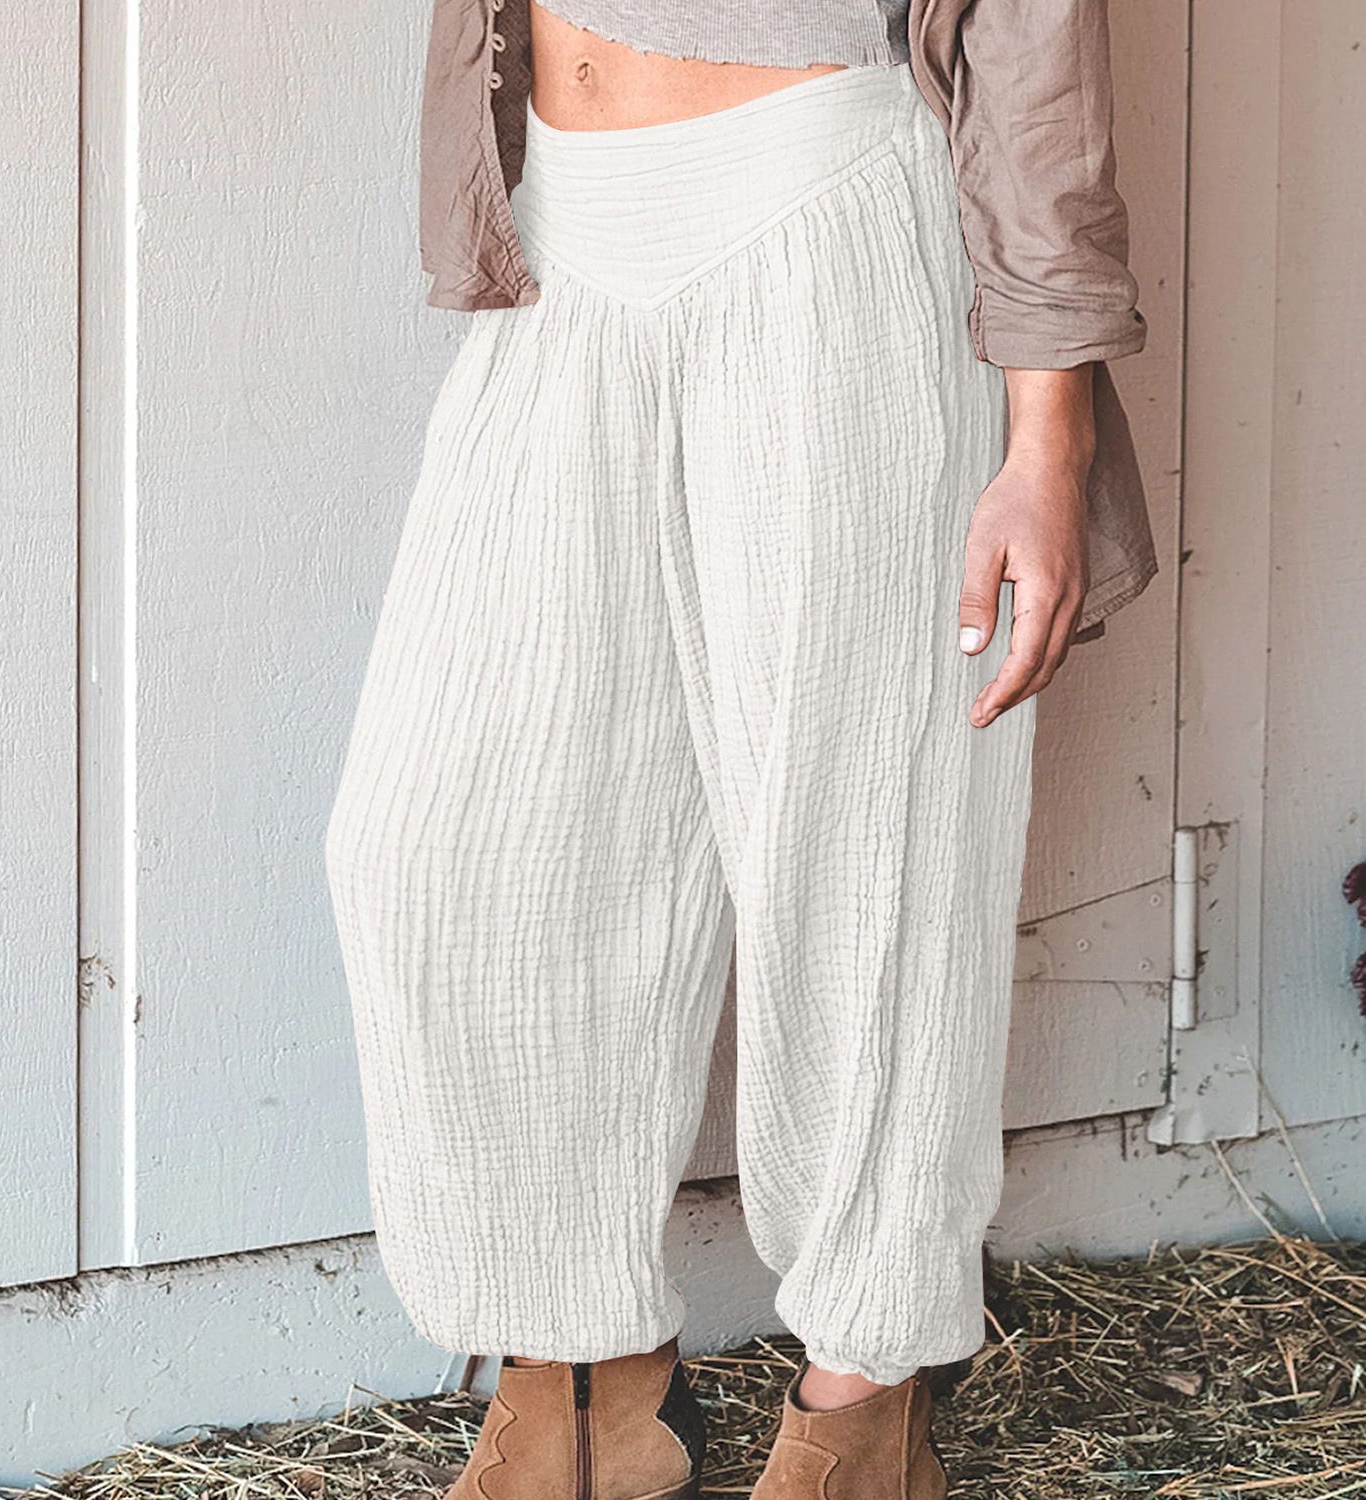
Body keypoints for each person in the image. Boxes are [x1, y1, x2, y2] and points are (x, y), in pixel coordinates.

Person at [326, 0, 1154, 1494]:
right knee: (435, 851)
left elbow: (1033, 39)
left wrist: (1048, 438)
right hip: (565, 234)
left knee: (865, 850)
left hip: (831, 217)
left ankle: (863, 1406)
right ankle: (587, 1380)